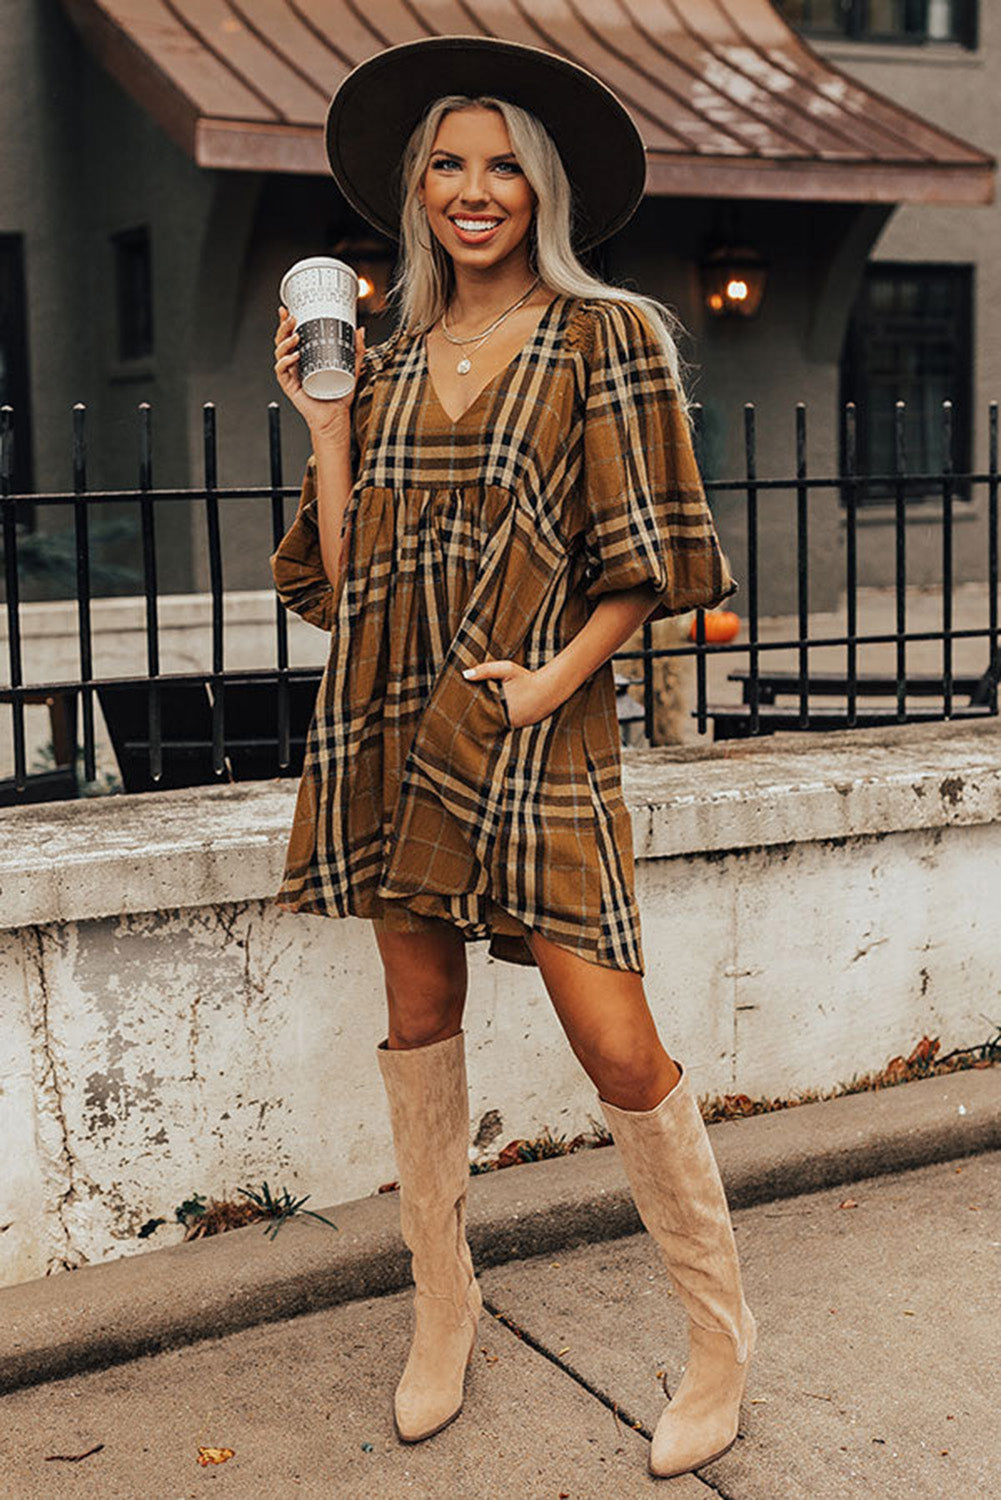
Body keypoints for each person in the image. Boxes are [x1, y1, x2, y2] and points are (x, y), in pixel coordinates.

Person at [271, 35, 754, 1481]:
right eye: (447, 166)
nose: (472, 190)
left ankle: (718, 1338)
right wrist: (327, 427)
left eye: (501, 167)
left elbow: (651, 557)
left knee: (615, 1041)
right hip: (388, 716)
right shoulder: (389, 361)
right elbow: (348, 579)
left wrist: (550, 676)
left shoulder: (606, 337)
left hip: (535, 722)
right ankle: (444, 1305)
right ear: (416, 191)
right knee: (418, 1015)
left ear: (540, 189)